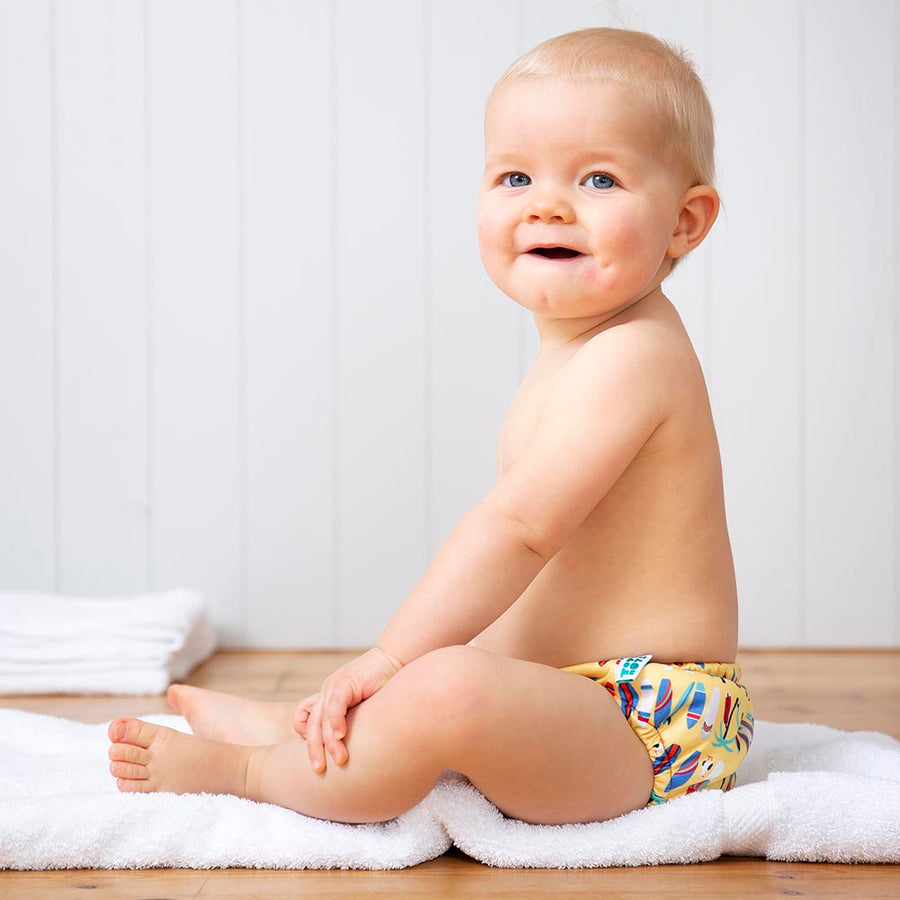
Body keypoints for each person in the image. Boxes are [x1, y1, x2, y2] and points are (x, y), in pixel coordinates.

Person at [108, 27, 754, 825]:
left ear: (685, 223)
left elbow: (520, 529)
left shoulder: (635, 357)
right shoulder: (580, 354)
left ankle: (252, 771)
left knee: (444, 683)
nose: (547, 203)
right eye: (516, 175)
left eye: (599, 178)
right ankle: (312, 726)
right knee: (448, 671)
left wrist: (391, 657)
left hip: (652, 725)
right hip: (569, 695)